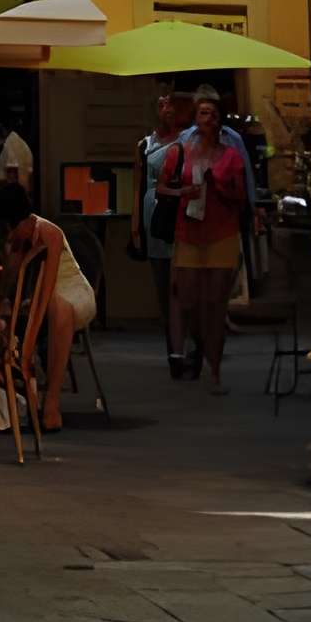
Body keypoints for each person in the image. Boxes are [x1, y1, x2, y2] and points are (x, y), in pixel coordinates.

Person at [156, 86, 248, 393]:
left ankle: (215, 370)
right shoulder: (180, 151)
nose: (207, 118)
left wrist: (217, 186)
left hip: (221, 233)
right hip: (189, 231)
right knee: (189, 302)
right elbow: (161, 187)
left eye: (212, 113)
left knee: (215, 305)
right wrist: (183, 191)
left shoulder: (231, 155)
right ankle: (197, 348)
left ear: (219, 119)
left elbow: (240, 195)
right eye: (202, 113)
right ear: (195, 118)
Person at [0, 183, 97, 433]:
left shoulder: (49, 233)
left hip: (72, 290)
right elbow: (7, 285)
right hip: (40, 297)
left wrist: (28, 347)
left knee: (59, 307)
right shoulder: (17, 240)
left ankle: (52, 400)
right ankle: (3, 403)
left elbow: (48, 288)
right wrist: (10, 254)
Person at [133, 88, 188, 376]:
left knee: (182, 282)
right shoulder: (145, 145)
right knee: (162, 281)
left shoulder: (186, 141)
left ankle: (184, 343)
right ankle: (173, 347)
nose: (167, 108)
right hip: (153, 211)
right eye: (161, 104)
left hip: (178, 207)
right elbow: (138, 185)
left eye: (170, 103)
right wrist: (135, 227)